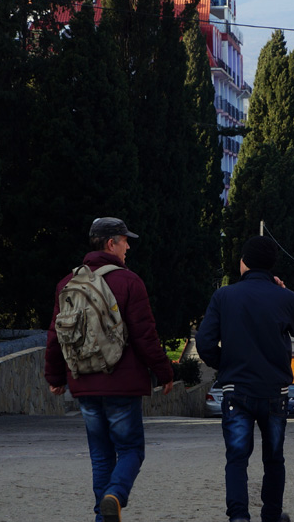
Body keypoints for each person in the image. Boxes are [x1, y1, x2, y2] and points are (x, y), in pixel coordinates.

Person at [45, 217, 174, 522]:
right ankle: (115, 495)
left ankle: (103, 517)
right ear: (110, 243)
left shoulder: (67, 284)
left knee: (101, 456)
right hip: (122, 382)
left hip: (84, 383)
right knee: (131, 450)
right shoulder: (129, 281)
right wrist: (164, 372)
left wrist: (54, 377)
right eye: (124, 240)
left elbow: (54, 334)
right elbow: (145, 336)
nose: (128, 246)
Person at [196, 236, 294, 522]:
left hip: (237, 390)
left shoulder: (224, 296)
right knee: (274, 458)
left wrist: (225, 365)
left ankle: (238, 517)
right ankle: (271, 516)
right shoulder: (285, 297)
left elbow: (204, 342)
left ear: (243, 263)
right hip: (276, 390)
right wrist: (287, 293)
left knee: (237, 458)